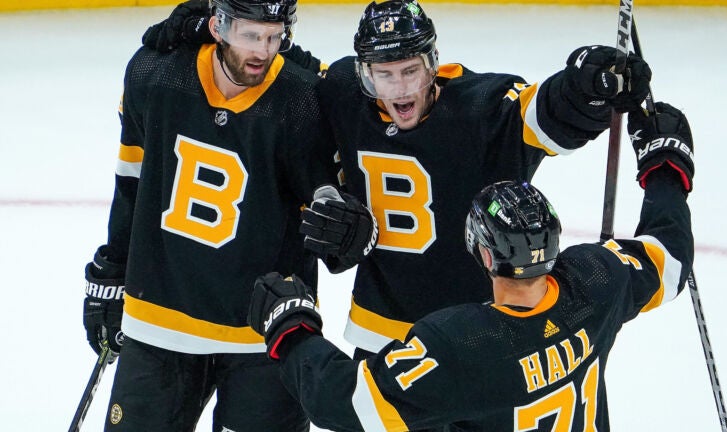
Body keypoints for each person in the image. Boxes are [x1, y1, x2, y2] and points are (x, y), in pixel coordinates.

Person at [144, 0, 652, 364]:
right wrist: (203, 24)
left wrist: (589, 86)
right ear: (363, 73)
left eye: (411, 70)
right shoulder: (343, 92)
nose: (400, 87)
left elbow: (551, 111)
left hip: (481, 332)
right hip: (380, 333)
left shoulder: (483, 107)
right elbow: (279, 64)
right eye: (384, 74)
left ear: (433, 63)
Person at [247, 100, 695, 431]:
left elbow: (346, 403)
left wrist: (292, 330)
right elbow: (669, 256)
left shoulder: (461, 341)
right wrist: (665, 167)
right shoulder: (597, 280)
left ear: (484, 254)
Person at [81, 0, 338, 430]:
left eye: (274, 37)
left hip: (264, 333)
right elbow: (131, 182)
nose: (263, 51)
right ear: (217, 26)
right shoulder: (156, 74)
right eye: (251, 36)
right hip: (160, 320)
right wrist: (112, 269)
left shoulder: (304, 99)